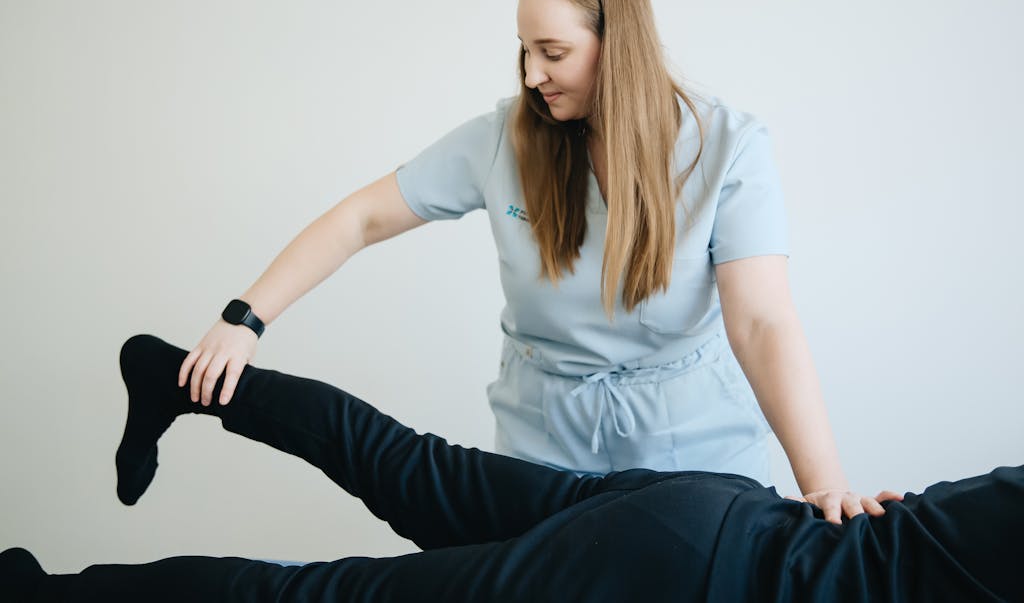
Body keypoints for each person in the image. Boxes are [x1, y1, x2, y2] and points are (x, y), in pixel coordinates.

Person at [178, 0, 868, 521]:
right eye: (524, 50)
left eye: (554, 51)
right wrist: (245, 318)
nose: (533, 73)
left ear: (615, 45)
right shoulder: (506, 139)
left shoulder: (726, 148)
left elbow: (762, 323)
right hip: (544, 455)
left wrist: (825, 486)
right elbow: (359, 218)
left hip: (693, 455)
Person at [4, 334, 1020, 602]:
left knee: (408, 468)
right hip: (684, 571)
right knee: (319, 597)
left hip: (709, 515)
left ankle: (177, 379)